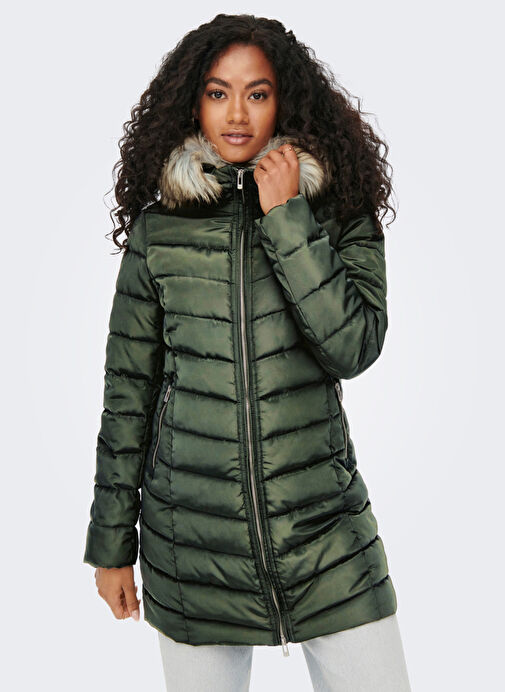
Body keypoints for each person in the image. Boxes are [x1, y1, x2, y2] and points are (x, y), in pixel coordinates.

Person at [83, 13, 412, 692]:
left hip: (327, 541)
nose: (236, 114)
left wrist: (286, 217)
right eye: (217, 92)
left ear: (284, 101)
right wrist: (111, 546)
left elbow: (353, 346)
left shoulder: (337, 213)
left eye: (257, 93)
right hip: (190, 548)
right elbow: (128, 396)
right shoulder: (159, 233)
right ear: (192, 102)